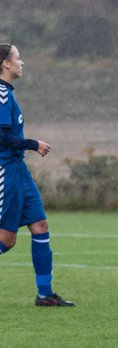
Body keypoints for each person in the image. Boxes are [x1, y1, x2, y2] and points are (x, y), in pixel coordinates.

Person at [0, 43, 74, 306]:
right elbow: (2, 137)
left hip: (19, 170)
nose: (22, 62)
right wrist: (33, 143)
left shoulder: (8, 93)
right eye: (18, 58)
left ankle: (45, 294)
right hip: (5, 171)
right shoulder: (1, 95)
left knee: (40, 226)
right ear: (5, 64)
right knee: (6, 241)